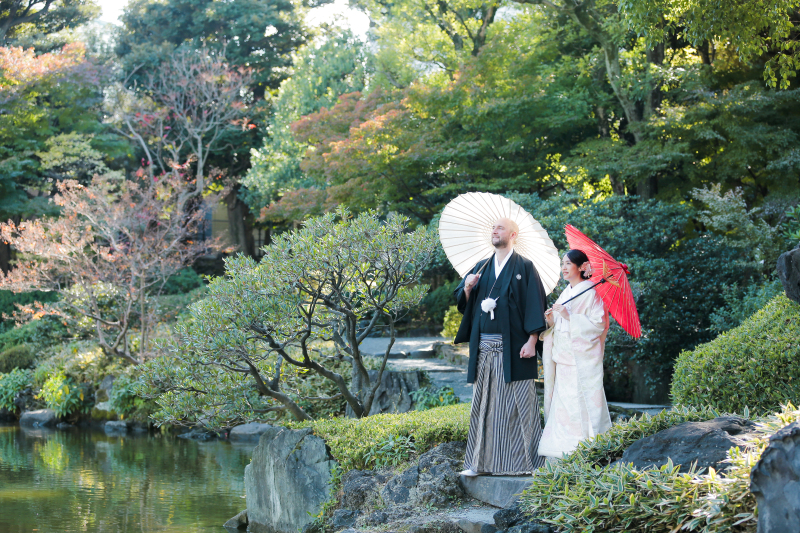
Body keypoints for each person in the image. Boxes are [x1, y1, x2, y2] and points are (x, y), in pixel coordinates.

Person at [453, 218, 548, 476]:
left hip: (516, 348)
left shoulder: (525, 267)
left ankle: (526, 465)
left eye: (500, 228)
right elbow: (461, 300)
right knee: (483, 406)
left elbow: (535, 305)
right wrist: (469, 288)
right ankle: (478, 464)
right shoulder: (480, 267)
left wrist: (532, 341)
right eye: (493, 228)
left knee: (519, 407)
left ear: (513, 234)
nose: (495, 231)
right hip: (484, 348)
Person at [537, 249, 612, 461]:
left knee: (579, 402)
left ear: (581, 267)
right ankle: (559, 445)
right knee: (564, 404)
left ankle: (582, 445)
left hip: (580, 360)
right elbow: (559, 325)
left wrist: (569, 316)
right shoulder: (568, 292)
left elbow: (599, 324)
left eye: (568, 263)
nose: (564, 267)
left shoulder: (591, 292)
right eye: (563, 263)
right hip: (563, 357)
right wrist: (552, 320)